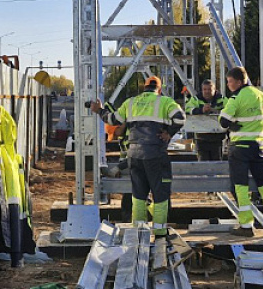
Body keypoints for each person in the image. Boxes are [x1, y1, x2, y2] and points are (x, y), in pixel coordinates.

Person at [89, 76, 185, 237]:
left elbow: (112, 119)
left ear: (144, 88)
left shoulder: (131, 102)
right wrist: (168, 133)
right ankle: (160, 231)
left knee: (139, 195)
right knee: (160, 195)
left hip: (134, 155)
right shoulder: (165, 102)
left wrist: (99, 109)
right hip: (155, 155)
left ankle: (140, 232)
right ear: (159, 89)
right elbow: (180, 118)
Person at [218, 67, 263, 237]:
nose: (228, 85)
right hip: (257, 147)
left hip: (239, 149)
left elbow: (223, 121)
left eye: (230, 81)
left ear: (239, 81)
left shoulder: (236, 97)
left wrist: (233, 123)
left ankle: (246, 226)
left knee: (240, 187)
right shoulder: (262, 96)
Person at [185, 79, 227, 161]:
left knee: (217, 161)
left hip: (217, 137)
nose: (207, 92)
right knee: (203, 162)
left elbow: (229, 110)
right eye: (205, 89)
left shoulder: (222, 99)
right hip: (201, 136)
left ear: (215, 90)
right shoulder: (196, 99)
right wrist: (201, 110)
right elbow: (187, 109)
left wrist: (214, 111)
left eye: (209, 89)